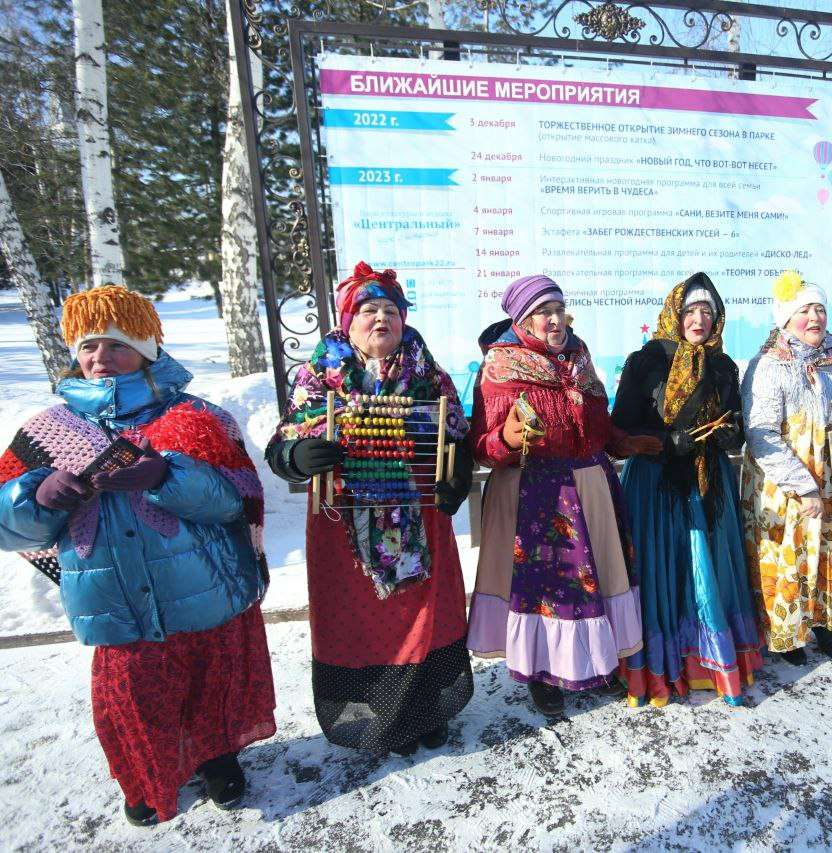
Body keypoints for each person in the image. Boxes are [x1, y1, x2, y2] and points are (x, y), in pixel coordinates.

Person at [0, 286, 275, 826]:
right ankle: (146, 774)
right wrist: (35, 500)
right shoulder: (46, 431)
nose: (100, 357)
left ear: (148, 349)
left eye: (116, 345)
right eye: (89, 347)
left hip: (204, 589)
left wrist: (166, 476)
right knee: (134, 697)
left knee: (209, 682)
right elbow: (9, 525)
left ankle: (218, 760)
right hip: (114, 601)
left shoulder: (197, 418)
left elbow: (236, 502)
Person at [266, 262, 473, 755]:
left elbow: (457, 435)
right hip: (345, 526)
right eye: (369, 309)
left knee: (422, 613)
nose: (381, 318)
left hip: (419, 518)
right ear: (347, 321)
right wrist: (294, 457)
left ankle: (426, 711)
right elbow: (285, 440)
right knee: (362, 617)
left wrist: (458, 471)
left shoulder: (429, 374)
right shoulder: (319, 376)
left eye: (391, 311)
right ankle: (378, 718)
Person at [466, 274, 660, 715]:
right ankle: (540, 673)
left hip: (591, 483)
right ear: (523, 318)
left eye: (558, 310)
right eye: (543, 313)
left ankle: (596, 660)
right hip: (535, 491)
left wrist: (619, 441)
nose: (554, 320)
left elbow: (596, 416)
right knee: (544, 588)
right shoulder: (500, 366)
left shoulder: (579, 355)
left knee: (600, 579)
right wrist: (508, 439)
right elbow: (482, 445)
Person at [612, 273, 764, 707]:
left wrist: (730, 433)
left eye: (707, 312)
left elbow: (735, 426)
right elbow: (621, 425)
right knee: (660, 567)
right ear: (675, 314)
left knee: (705, 566)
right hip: (655, 480)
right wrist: (664, 442)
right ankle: (658, 665)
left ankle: (708, 661)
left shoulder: (723, 365)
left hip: (706, 484)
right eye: (690, 311)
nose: (698, 319)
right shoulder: (646, 360)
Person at [740, 270, 832, 665]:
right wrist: (802, 485)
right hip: (788, 487)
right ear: (786, 318)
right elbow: (761, 435)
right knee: (790, 558)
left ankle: (823, 622)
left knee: (830, 555)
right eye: (804, 310)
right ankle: (789, 634)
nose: (814, 318)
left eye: (820, 310)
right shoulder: (769, 365)